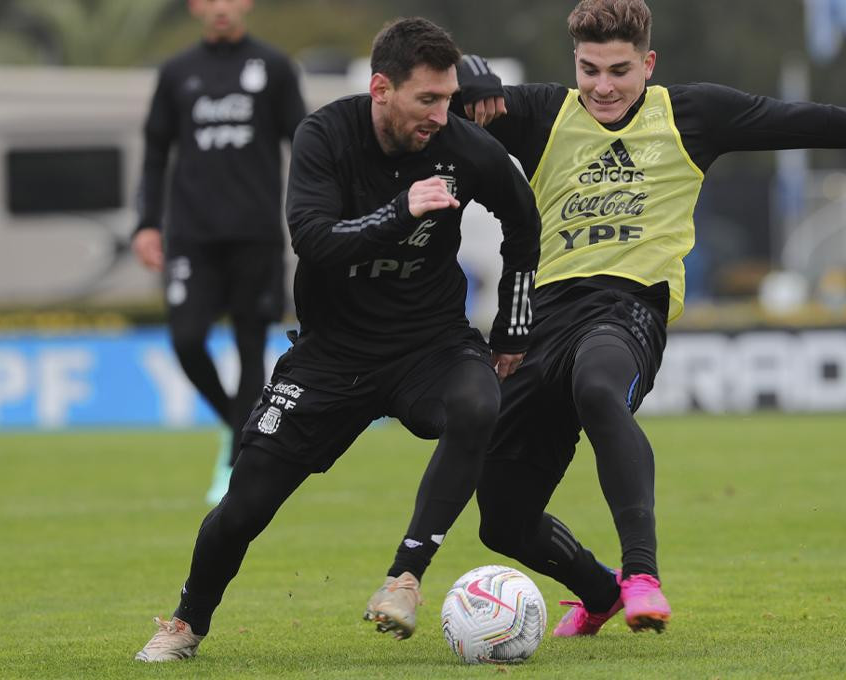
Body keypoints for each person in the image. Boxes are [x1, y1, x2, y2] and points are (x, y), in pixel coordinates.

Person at [456, 0, 846, 638]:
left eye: (620, 71)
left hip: (629, 308)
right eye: (590, 69)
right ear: (575, 62)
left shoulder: (694, 113)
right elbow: (443, 85)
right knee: (504, 523)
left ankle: (641, 576)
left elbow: (816, 121)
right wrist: (474, 79)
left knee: (599, 386)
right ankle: (599, 592)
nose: (603, 86)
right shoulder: (544, 112)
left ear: (648, 64)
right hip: (542, 324)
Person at [134, 17, 541, 661]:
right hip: (331, 356)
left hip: (428, 346)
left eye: (448, 98)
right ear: (381, 88)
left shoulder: (465, 148)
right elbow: (315, 243)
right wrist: (401, 210)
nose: (442, 115)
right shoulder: (325, 134)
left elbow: (524, 224)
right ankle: (187, 622)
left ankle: (405, 577)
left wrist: (514, 328)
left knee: (478, 401)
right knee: (244, 506)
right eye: (426, 100)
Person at [132, 0, 306, 505]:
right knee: (186, 340)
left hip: (255, 233)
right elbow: (154, 153)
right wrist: (146, 224)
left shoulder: (273, 67)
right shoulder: (177, 73)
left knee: (251, 346)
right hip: (191, 235)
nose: (221, 8)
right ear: (195, 8)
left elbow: (304, 140)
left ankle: (235, 463)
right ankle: (238, 424)